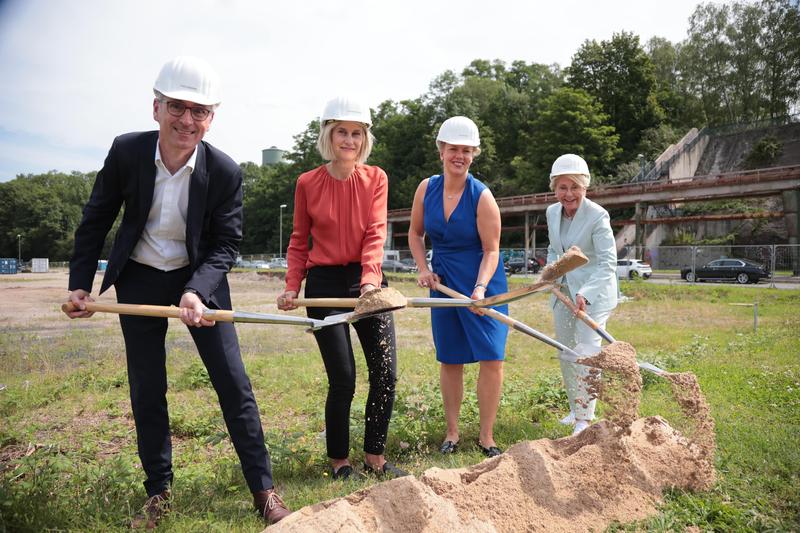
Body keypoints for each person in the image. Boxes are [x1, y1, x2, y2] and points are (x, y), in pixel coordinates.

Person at [64, 56, 290, 527]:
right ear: (156, 108)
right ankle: (159, 493)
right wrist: (80, 285)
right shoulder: (126, 152)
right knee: (148, 388)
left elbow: (227, 243)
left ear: (211, 119)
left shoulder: (225, 171)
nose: (187, 119)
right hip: (140, 276)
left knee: (233, 383)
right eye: (177, 107)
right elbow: (95, 220)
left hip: (198, 278)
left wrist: (196, 291)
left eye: (199, 111)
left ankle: (264, 491)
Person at [276, 96, 407, 480]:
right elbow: (300, 239)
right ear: (328, 136)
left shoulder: (375, 178)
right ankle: (339, 462)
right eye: (341, 133)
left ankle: (375, 457)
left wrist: (369, 281)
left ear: (364, 139)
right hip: (325, 285)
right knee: (344, 379)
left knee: (385, 373)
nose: (349, 140)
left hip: (367, 283)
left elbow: (375, 233)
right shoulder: (307, 183)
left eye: (356, 133)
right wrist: (291, 286)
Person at [408, 116, 508, 457]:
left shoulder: (482, 197)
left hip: (483, 282)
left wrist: (480, 289)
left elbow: (492, 250)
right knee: (450, 358)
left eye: (466, 151)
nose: (459, 156)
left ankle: (487, 436)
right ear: (441, 151)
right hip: (445, 281)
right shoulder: (427, 188)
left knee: (491, 357)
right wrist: (424, 269)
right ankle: (452, 433)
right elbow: (415, 234)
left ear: (474, 154)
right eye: (454, 149)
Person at [545, 154, 618, 436]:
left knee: (587, 351)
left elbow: (608, 263)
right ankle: (575, 408)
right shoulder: (552, 213)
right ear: (554, 188)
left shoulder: (598, 216)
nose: (568, 194)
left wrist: (586, 294)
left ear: (585, 187)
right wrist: (550, 276)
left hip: (594, 293)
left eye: (574, 186)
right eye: (562, 187)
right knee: (566, 351)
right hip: (563, 290)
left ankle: (585, 420)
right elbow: (555, 250)